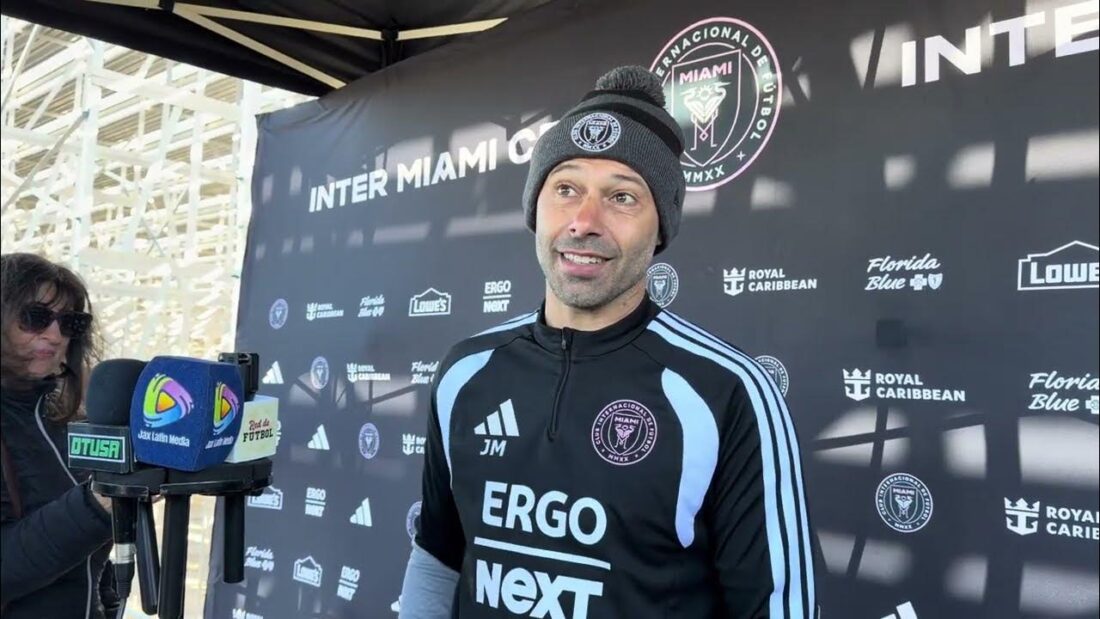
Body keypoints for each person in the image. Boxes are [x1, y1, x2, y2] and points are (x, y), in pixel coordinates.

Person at [398, 66, 816, 618]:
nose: (584, 221)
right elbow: (438, 558)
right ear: (535, 208)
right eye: (565, 189)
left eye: (622, 197)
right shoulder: (466, 372)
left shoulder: (726, 392)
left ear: (660, 227)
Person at [1, 253, 120, 619]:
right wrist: (95, 504)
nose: (54, 335)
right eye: (35, 317)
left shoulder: (62, 422)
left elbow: (89, 565)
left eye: (70, 323)